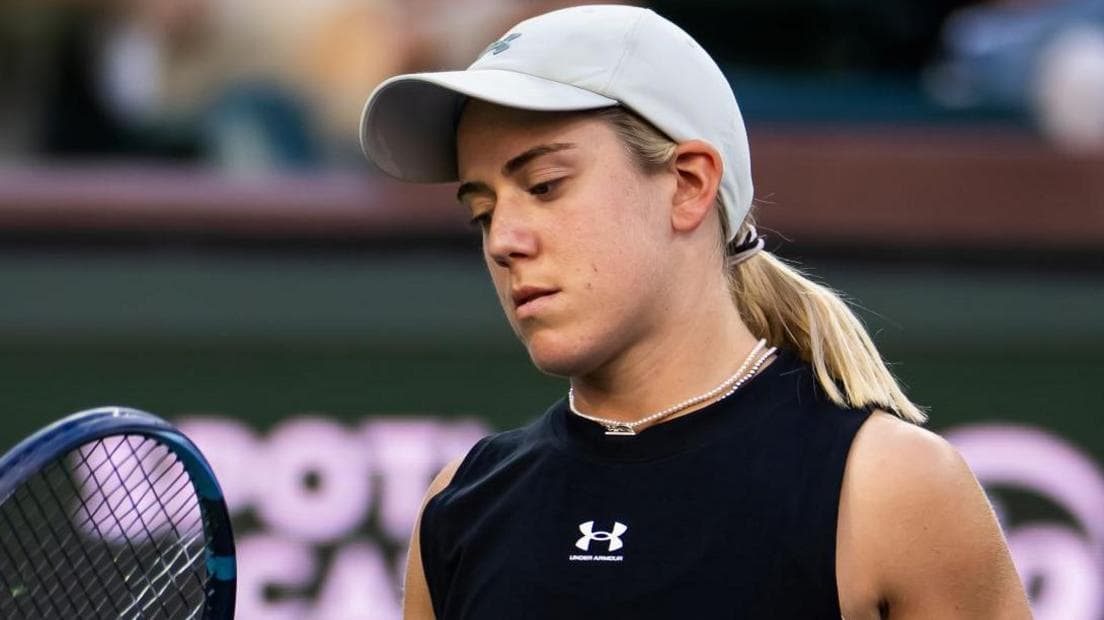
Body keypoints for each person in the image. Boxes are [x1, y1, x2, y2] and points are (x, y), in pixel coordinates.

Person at [359, 5, 1032, 618]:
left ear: (688, 185)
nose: (503, 241)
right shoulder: (461, 505)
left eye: (545, 185)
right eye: (482, 213)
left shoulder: (889, 487)